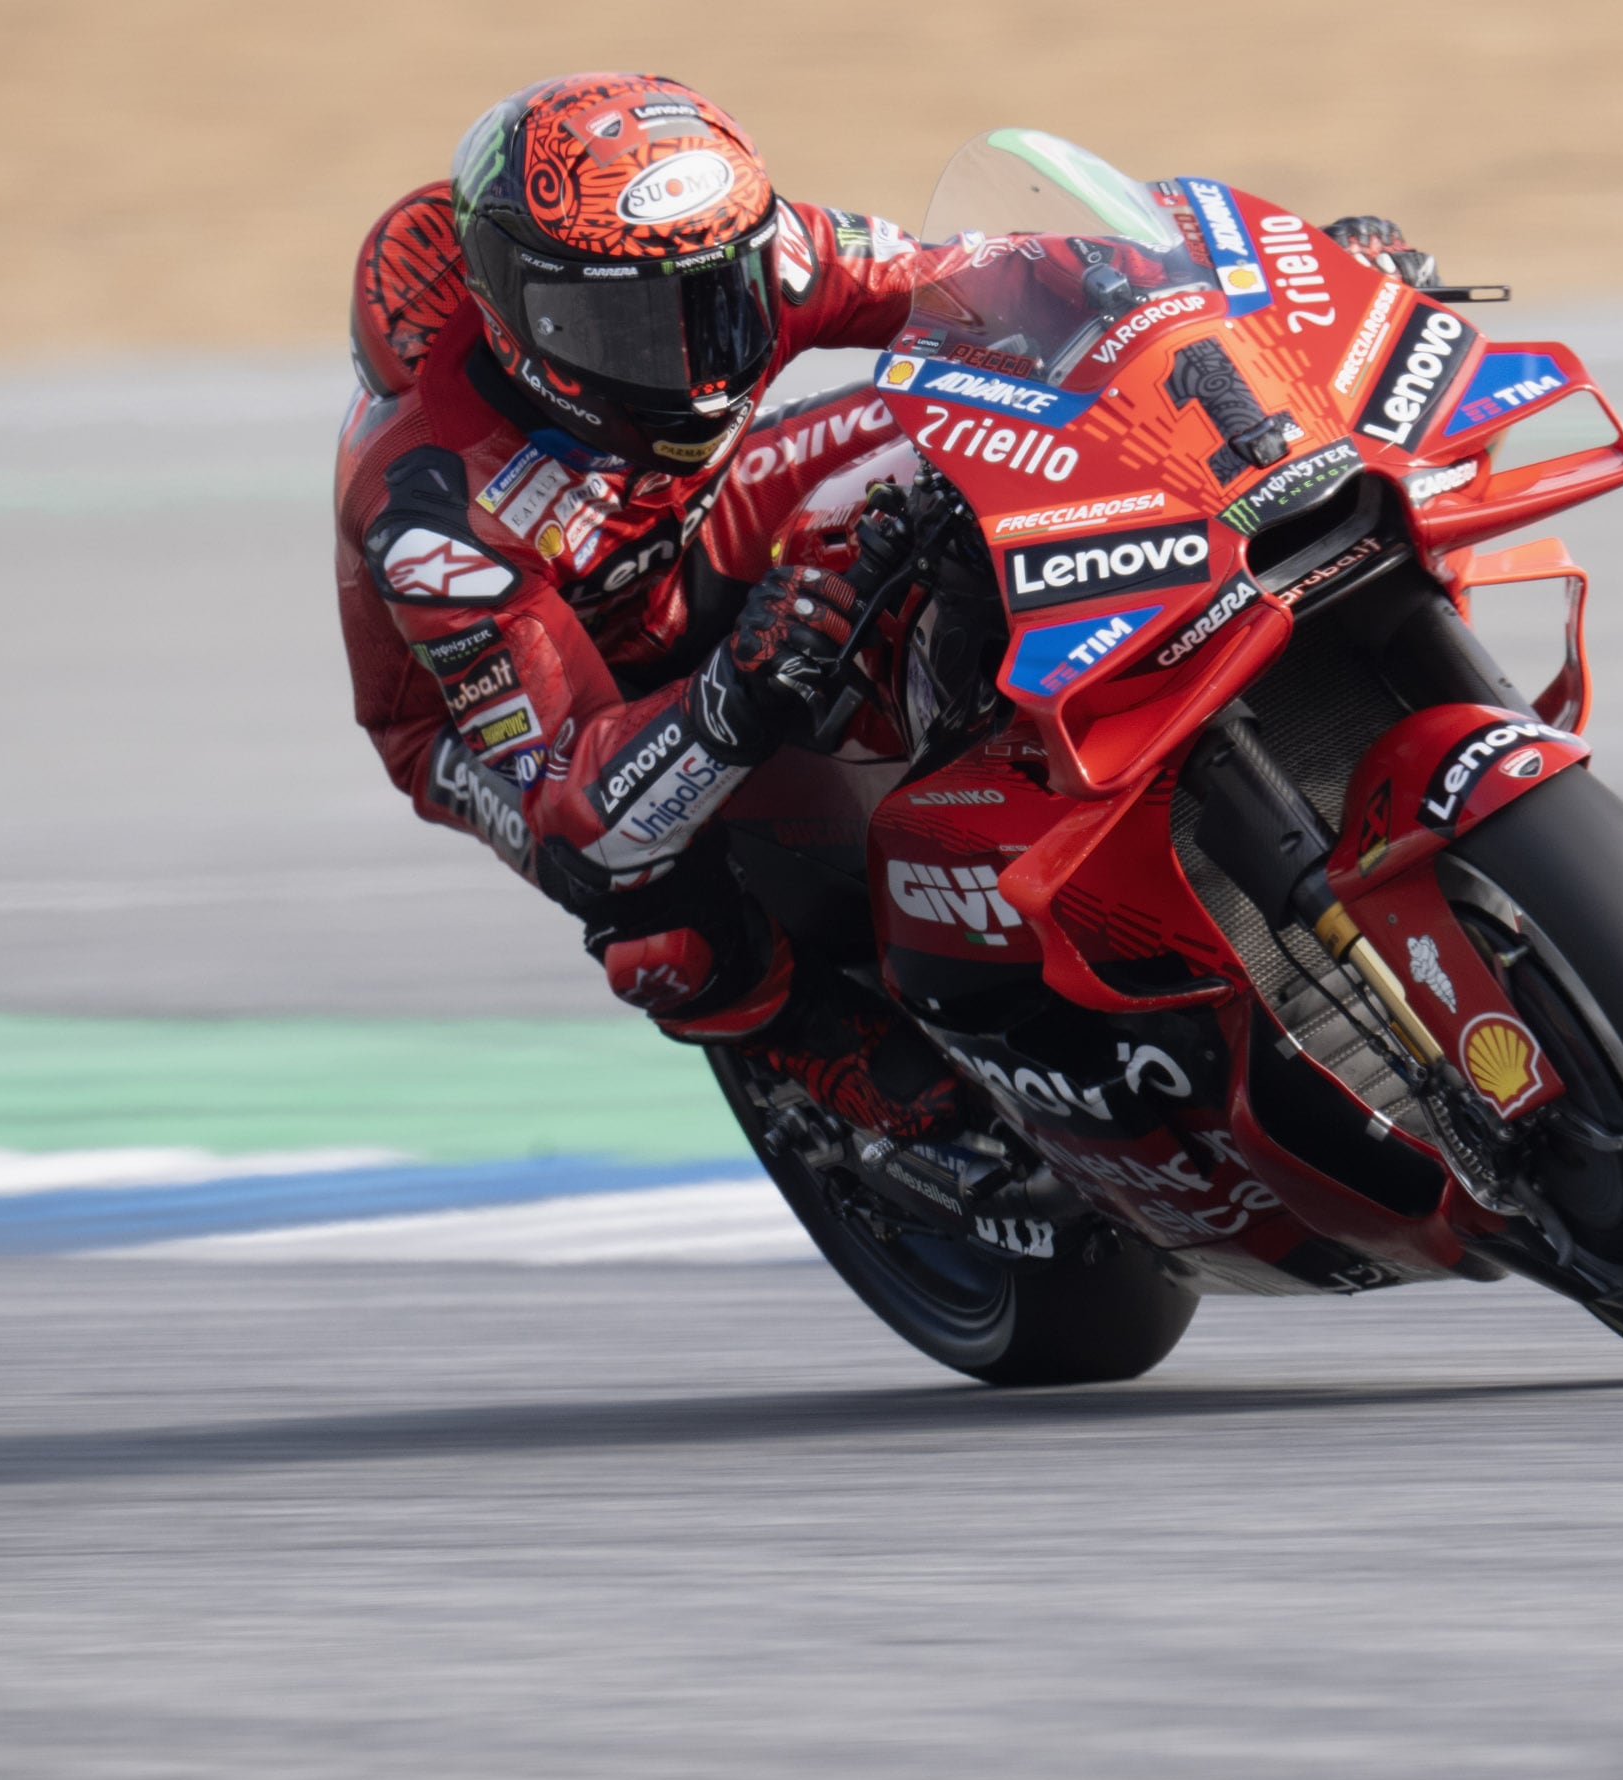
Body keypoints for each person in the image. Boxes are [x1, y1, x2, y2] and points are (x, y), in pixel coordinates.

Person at [334, 76, 1435, 1136]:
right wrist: (732, 696)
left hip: (697, 522)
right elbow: (575, 797)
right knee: (644, 908)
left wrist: (1270, 303)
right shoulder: (436, 513)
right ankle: (814, 1055)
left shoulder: (761, 259)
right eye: (622, 333)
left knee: (969, 419)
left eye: (711, 303)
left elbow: (1014, 275)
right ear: (517, 320)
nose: (689, 357)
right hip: (518, 710)